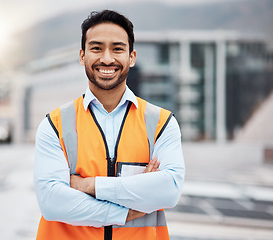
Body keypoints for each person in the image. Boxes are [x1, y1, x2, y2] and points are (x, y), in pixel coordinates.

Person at [34, 9, 185, 240]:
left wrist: (89, 185)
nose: (106, 58)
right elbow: (52, 201)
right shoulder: (54, 125)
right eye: (96, 48)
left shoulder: (162, 123)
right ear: (82, 56)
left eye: (117, 48)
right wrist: (125, 210)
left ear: (131, 57)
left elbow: (169, 190)